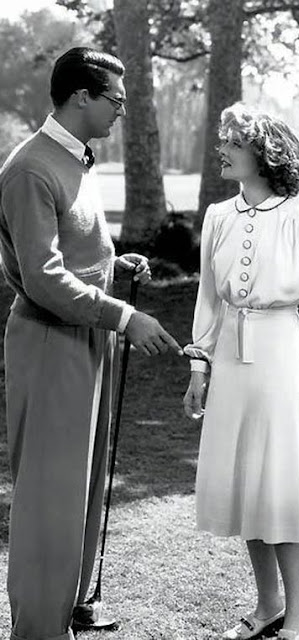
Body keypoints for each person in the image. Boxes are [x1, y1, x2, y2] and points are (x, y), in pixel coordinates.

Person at [0, 47, 183, 640]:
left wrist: (111, 264)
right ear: (81, 96)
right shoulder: (31, 168)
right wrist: (124, 316)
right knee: (51, 494)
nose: (122, 111)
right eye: (116, 101)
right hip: (49, 341)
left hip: (85, 336)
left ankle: (70, 607)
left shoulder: (77, 157)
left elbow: (71, 251)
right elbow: (42, 277)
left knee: (84, 481)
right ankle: (39, 629)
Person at [182, 103, 299, 640]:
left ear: (264, 154)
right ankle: (268, 605)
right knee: (246, 480)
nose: (222, 149)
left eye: (233, 142)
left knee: (277, 475)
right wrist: (198, 366)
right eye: (223, 140)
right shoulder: (218, 216)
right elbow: (209, 298)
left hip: (279, 351)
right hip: (230, 357)